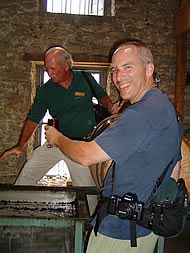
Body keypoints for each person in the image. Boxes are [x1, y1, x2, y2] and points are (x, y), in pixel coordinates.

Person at [44, 40, 183, 253]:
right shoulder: (168, 110)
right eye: (115, 70)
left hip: (120, 232)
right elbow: (175, 169)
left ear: (149, 69)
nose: (119, 77)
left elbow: (86, 156)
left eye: (128, 67)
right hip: (146, 228)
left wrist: (57, 138)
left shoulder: (140, 115)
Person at [1, 46, 122, 215]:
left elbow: (102, 96)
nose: (49, 73)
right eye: (46, 69)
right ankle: (10, 213)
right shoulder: (45, 91)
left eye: (52, 68)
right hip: (55, 144)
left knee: (89, 193)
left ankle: (91, 227)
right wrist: (20, 146)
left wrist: (111, 106)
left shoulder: (85, 78)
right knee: (27, 174)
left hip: (80, 146)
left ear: (66, 66)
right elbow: (33, 119)